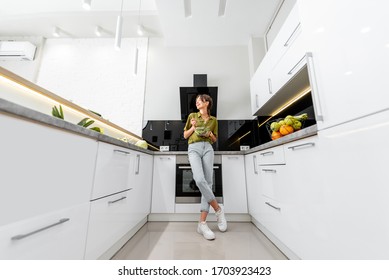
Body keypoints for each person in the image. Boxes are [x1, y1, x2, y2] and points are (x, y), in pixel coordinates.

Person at [183, 94, 227, 240]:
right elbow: (185, 135)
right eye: (196, 102)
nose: (197, 103)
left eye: (199, 101)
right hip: (194, 148)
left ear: (207, 103)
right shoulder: (193, 116)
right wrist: (193, 127)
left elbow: (214, 139)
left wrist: (210, 134)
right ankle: (218, 209)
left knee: (208, 183)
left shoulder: (214, 120)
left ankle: (202, 223)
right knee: (200, 179)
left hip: (208, 148)